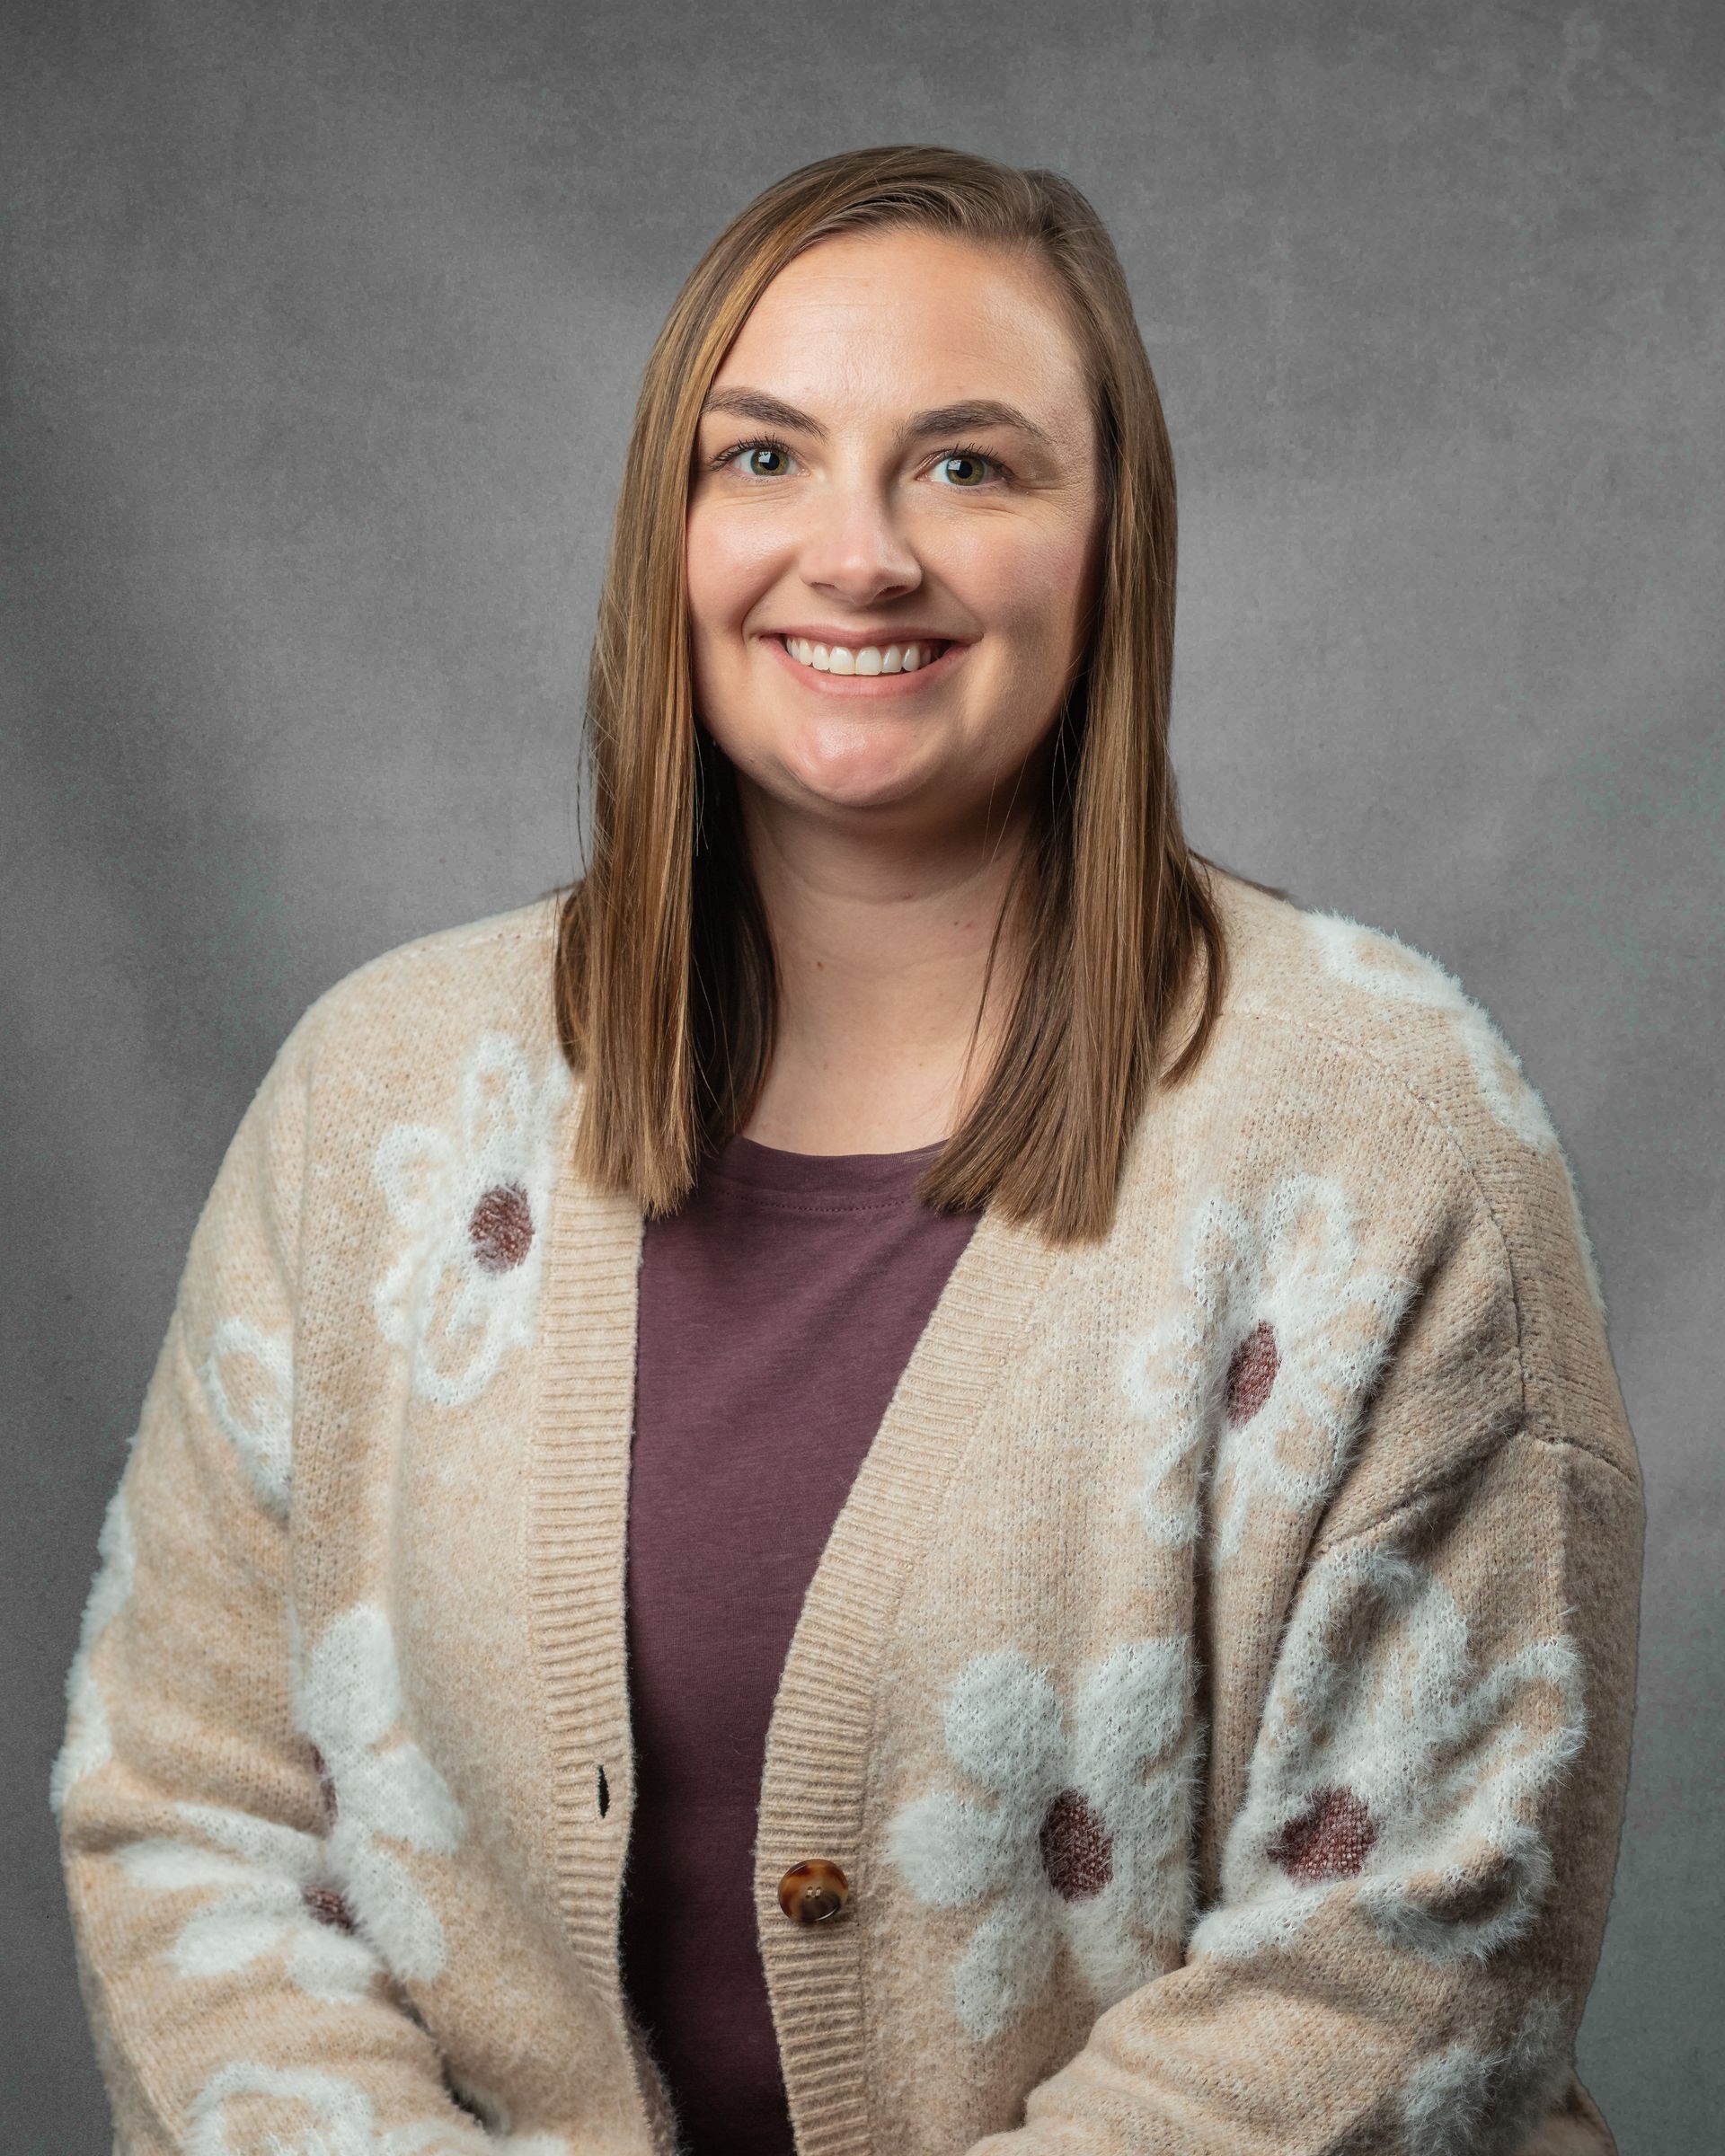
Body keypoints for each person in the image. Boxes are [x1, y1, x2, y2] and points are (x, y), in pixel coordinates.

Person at [53, 146, 1641, 2156]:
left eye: (970, 466)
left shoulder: (1392, 1135)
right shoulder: (374, 1104)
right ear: (672, 528)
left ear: (1113, 544)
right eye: (766, 458)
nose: (862, 554)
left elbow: (1407, 1953)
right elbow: (191, 1809)